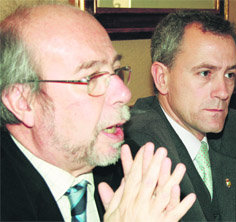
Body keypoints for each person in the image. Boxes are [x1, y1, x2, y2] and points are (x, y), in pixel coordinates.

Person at [0, 4, 196, 221]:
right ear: (23, 102)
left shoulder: (132, 167)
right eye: (91, 77)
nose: (124, 93)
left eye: (115, 71)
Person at [124, 10, 236, 221]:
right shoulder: (137, 145)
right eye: (205, 73)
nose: (224, 91)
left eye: (229, 75)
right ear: (162, 78)